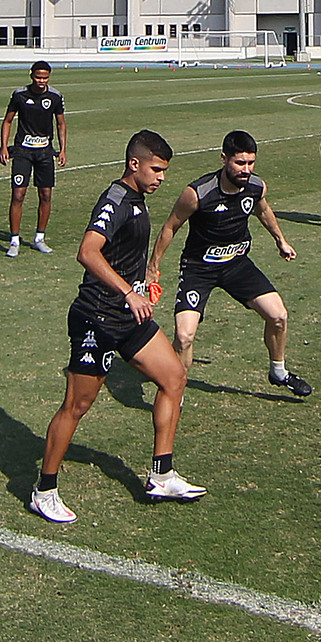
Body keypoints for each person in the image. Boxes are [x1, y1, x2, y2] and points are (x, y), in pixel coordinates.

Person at [30, 129, 203, 522]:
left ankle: (161, 474)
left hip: (128, 317)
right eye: (156, 169)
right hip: (97, 317)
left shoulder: (138, 200)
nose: (161, 178)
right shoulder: (117, 199)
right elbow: (87, 252)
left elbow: (122, 254)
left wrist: (142, 283)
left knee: (174, 377)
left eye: (165, 171)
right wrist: (128, 291)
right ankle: (44, 490)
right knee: (78, 405)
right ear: (134, 164)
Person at [148, 130, 311, 397]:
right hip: (199, 268)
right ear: (224, 159)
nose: (246, 169)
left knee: (278, 315)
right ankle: (174, 393)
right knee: (185, 335)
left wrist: (280, 240)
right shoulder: (198, 193)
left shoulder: (256, 186)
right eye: (240, 163)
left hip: (236, 264)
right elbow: (170, 227)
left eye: (250, 163)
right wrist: (153, 268)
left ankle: (278, 371)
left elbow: (263, 210)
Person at [0, 62, 66, 257]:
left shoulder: (55, 96)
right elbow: (7, 121)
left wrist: (62, 150)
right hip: (22, 152)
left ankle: (39, 238)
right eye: (38, 77)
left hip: (45, 153)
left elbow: (61, 124)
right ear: (31, 75)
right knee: (18, 195)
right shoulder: (19, 95)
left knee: (45, 195)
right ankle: (14, 240)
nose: (41, 81)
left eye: (45, 78)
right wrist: (4, 147)